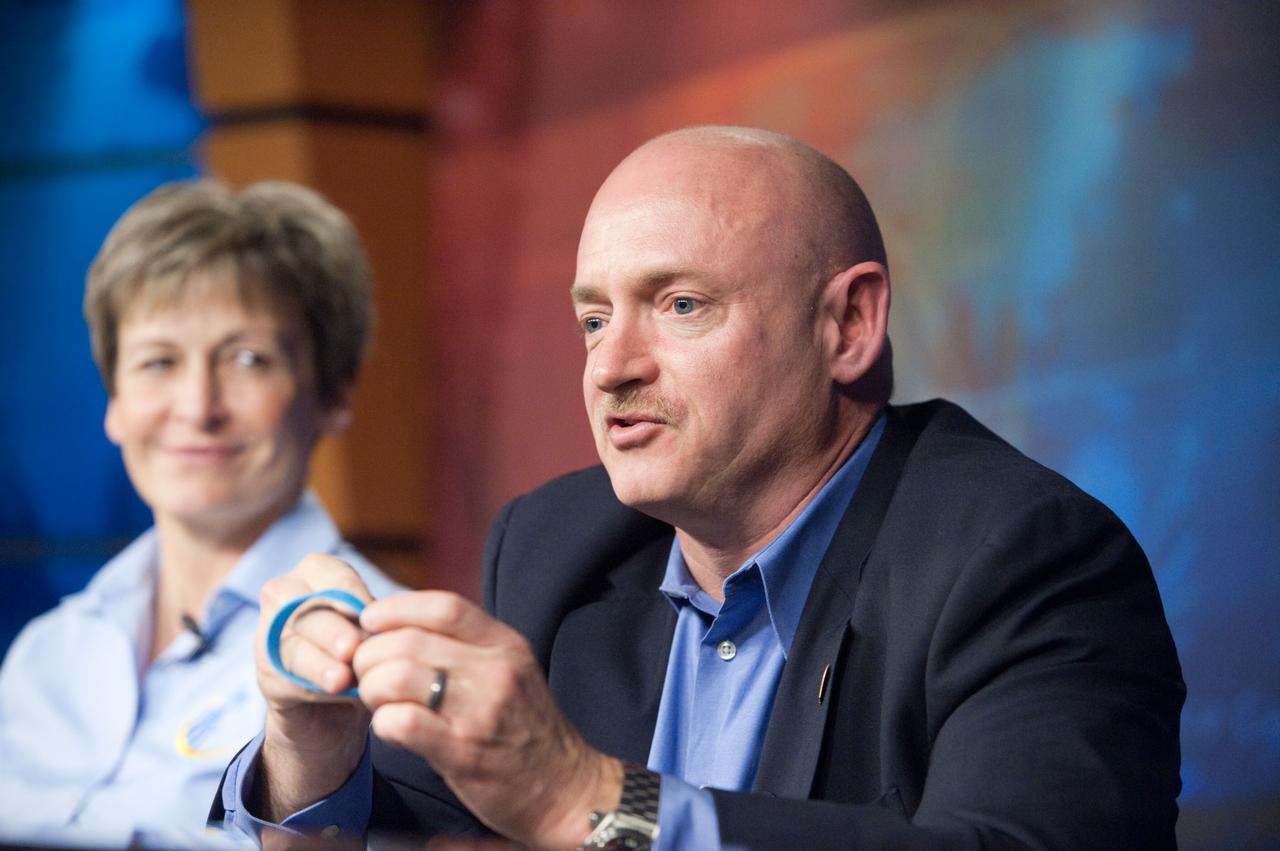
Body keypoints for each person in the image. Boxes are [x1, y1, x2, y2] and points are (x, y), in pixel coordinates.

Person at [215, 127, 1184, 849]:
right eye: (593, 318)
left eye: (679, 304)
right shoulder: (559, 543)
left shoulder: (1025, 558)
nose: (608, 367)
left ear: (847, 324)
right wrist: (313, 743)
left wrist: (584, 800)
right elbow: (413, 819)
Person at [0, 180, 403, 844]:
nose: (197, 406)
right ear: (115, 401)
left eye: (248, 359)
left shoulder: (379, 661)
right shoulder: (46, 654)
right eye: (158, 361)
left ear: (332, 393)